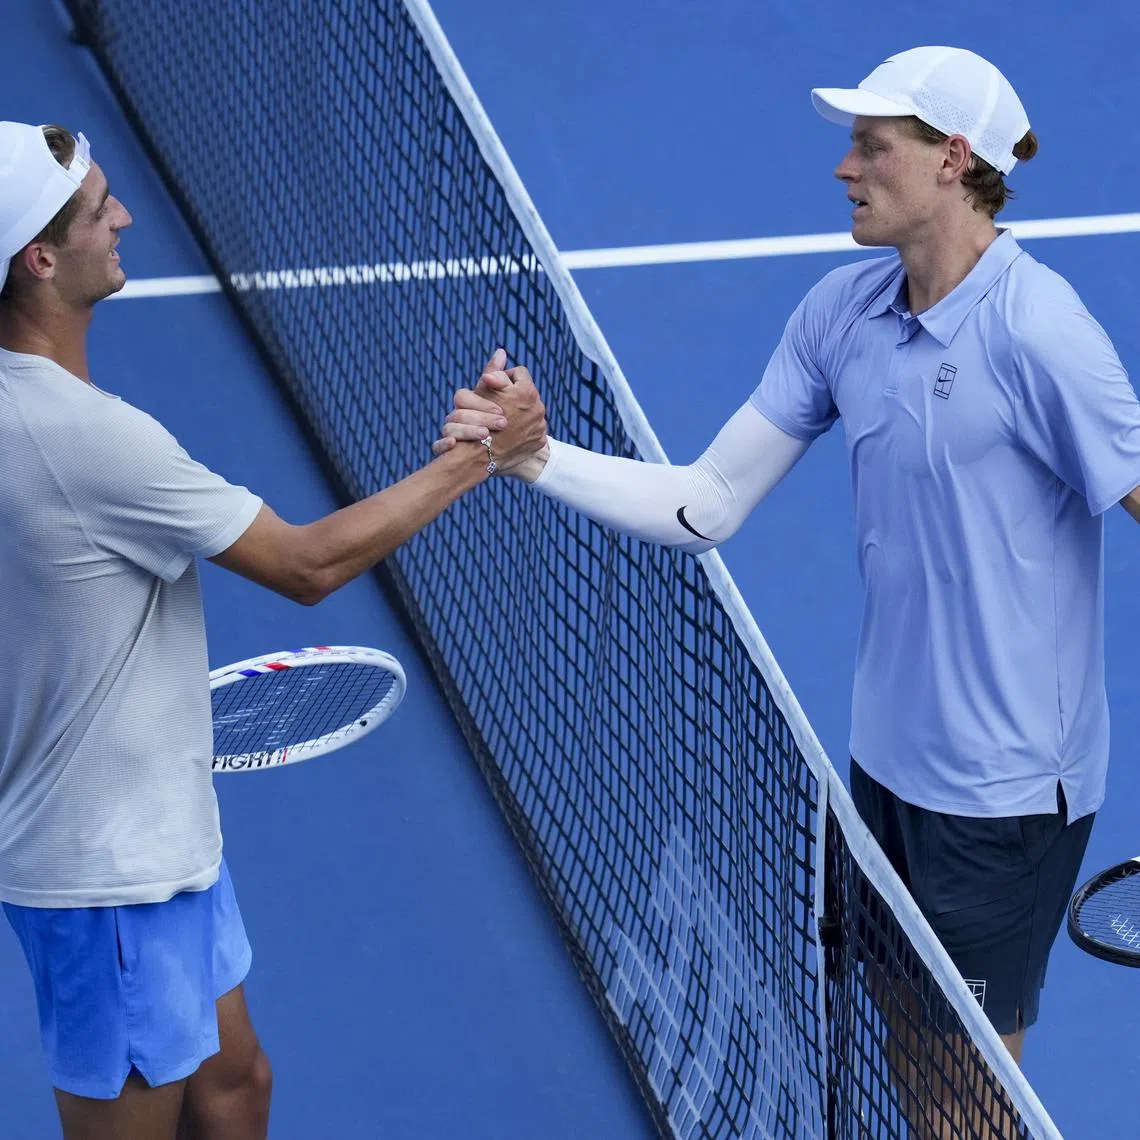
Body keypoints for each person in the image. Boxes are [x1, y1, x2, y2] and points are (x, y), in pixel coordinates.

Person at [436, 45, 1140, 1134]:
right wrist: (533, 459)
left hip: (1004, 797)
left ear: (953, 160)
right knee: (911, 1051)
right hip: (886, 767)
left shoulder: (1040, 335)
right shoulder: (840, 314)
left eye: (873, 145)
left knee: (974, 1104)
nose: (844, 167)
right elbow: (706, 503)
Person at [0, 120, 545, 1140]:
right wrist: (483, 452)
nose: (122, 216)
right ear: (39, 257)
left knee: (235, 1086)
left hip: (159, 835)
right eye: (95, 211)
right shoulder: (91, 441)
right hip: (108, 878)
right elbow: (308, 564)